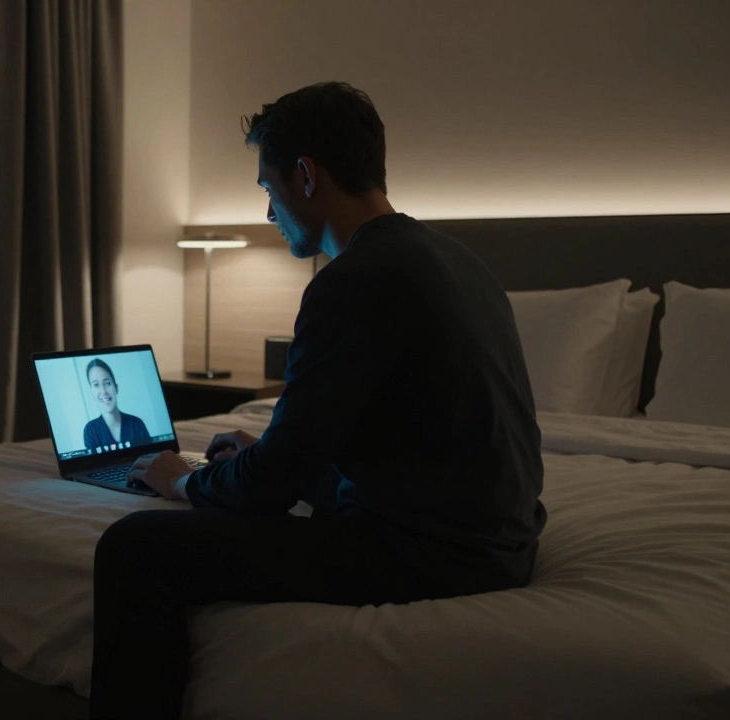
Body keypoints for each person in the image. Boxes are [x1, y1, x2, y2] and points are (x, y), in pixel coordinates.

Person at [89, 82, 547, 719]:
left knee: (133, 548)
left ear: (305, 175)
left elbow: (271, 487)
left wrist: (185, 483)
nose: (269, 214)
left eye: (268, 191)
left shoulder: (353, 282)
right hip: (495, 536)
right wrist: (273, 453)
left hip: (431, 557)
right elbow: (409, 441)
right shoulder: (460, 262)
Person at [82, 358, 150, 450]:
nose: (103, 391)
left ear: (116, 387)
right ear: (92, 392)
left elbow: (149, 458)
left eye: (107, 383)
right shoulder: (90, 430)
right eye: (96, 385)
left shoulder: (137, 424)